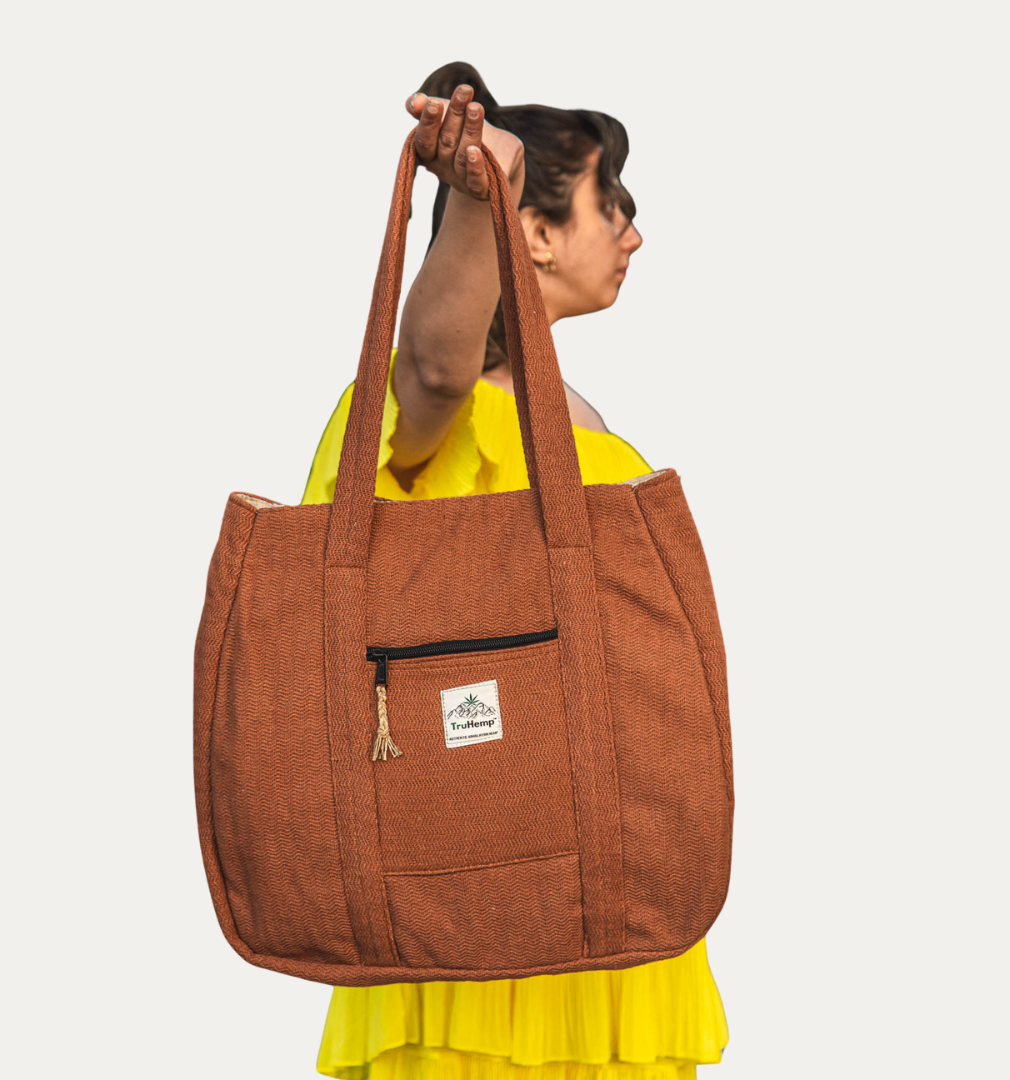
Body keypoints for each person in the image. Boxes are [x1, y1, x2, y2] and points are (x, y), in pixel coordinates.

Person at [304, 62, 729, 1080]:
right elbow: (438, 364)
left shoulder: (569, 416)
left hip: (610, 910)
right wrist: (469, 197)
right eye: (608, 203)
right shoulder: (459, 416)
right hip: (487, 928)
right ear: (534, 233)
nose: (632, 232)